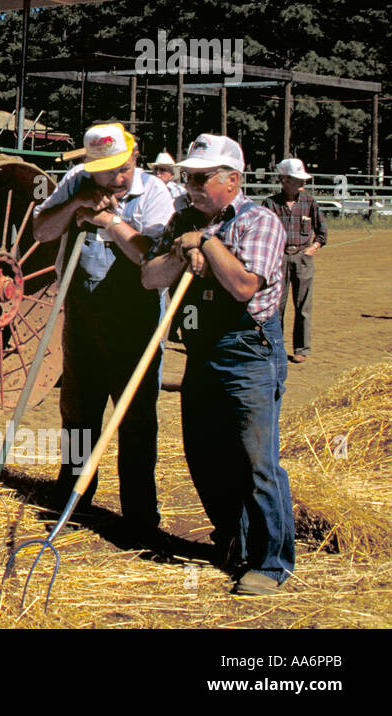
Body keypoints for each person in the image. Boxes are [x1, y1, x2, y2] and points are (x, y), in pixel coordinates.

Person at [141, 133, 293, 596]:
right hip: (203, 350)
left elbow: (245, 286)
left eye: (201, 177)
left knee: (256, 461)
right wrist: (179, 251)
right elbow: (150, 278)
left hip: (249, 351)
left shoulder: (259, 221)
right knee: (204, 454)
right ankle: (233, 538)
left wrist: (207, 244)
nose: (190, 184)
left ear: (232, 179)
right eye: (187, 176)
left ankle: (272, 561)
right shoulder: (182, 220)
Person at [32, 123, 175, 544]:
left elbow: (150, 256)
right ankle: (74, 498)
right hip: (82, 312)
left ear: (134, 155)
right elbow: (42, 231)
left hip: (135, 317)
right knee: (78, 412)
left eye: (120, 168)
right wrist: (76, 202)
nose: (114, 177)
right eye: (104, 171)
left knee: (135, 416)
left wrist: (110, 221)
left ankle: (139, 514)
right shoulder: (77, 182)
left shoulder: (154, 195)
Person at [262, 157, 327, 364]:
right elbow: (262, 233)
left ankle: (302, 348)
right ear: (285, 180)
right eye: (298, 180)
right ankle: (275, 346)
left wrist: (313, 248)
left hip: (302, 258)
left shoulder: (309, 203)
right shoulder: (270, 204)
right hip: (278, 259)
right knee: (275, 305)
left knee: (303, 306)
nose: (303, 184)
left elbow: (322, 232)